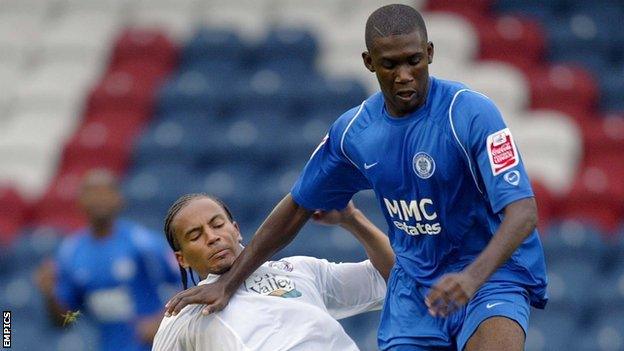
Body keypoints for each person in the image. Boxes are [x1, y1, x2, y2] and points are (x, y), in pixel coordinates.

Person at [164, 4, 548, 351]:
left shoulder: (470, 113)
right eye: (390, 65)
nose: (403, 76)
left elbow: (523, 212)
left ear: (430, 53)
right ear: (368, 62)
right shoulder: (353, 134)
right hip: (414, 291)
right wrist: (228, 284)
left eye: (414, 60)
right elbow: (298, 206)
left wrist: (471, 276)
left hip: (490, 275)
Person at [152, 193, 393, 350]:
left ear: (236, 230)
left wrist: (352, 218)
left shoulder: (300, 270)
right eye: (195, 236)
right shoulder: (186, 314)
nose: (212, 237)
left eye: (217, 225)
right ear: (181, 259)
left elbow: (391, 277)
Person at [36, 169, 179, 351]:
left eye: (106, 191)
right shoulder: (70, 252)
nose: (99, 198)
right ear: (80, 201)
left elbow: (186, 281)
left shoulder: (142, 242)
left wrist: (161, 321)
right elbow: (68, 319)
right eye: (92, 192)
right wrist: (50, 295)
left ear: (119, 199)